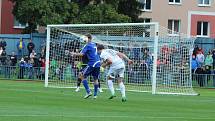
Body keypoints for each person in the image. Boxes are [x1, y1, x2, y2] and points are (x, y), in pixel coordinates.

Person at [70, 34, 101, 99]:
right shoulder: (94, 44)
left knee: (82, 76)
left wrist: (74, 53)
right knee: (95, 79)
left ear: (88, 38)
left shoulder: (87, 45)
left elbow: (82, 54)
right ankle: (95, 95)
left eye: (85, 38)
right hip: (98, 62)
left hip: (92, 63)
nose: (84, 39)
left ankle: (88, 91)